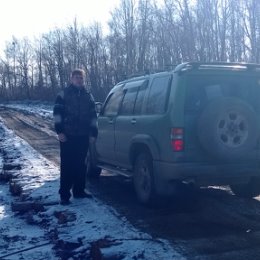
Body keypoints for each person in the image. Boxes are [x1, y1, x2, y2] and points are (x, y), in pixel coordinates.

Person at [53, 69, 98, 205]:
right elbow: (57, 113)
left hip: (83, 136)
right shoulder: (63, 94)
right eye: (76, 77)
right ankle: (64, 195)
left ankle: (79, 191)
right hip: (67, 135)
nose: (79, 80)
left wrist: (93, 132)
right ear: (71, 79)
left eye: (81, 78)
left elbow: (93, 116)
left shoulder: (88, 96)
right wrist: (59, 131)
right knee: (67, 165)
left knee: (81, 165)